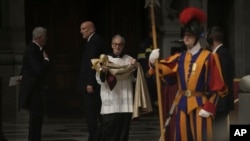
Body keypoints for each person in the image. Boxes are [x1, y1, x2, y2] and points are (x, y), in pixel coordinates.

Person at [149, 7, 227, 141]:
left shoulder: (209, 57)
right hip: (182, 104)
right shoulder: (179, 58)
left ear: (197, 36)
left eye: (190, 34)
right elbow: (165, 71)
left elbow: (217, 87)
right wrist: (152, 63)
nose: (186, 37)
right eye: (184, 34)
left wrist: (209, 107)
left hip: (201, 106)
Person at [93, 34, 139, 141]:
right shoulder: (105, 59)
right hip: (111, 104)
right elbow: (99, 80)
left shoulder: (129, 59)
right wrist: (103, 72)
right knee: (108, 134)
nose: (117, 47)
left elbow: (136, 79)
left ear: (123, 46)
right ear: (112, 45)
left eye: (120, 44)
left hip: (125, 105)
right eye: (115, 44)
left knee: (123, 134)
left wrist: (137, 66)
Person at [18, 26, 50, 141]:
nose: (47, 39)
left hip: (36, 89)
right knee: (35, 119)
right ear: (40, 37)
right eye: (45, 37)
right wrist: (46, 61)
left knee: (38, 118)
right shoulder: (32, 49)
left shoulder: (35, 49)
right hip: (33, 91)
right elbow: (38, 70)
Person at [79, 21, 107, 141]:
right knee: (93, 113)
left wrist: (90, 83)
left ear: (91, 29)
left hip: (92, 85)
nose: (81, 31)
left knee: (92, 114)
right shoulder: (92, 40)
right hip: (92, 84)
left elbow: (94, 63)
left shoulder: (94, 41)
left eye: (84, 28)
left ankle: (95, 138)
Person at [206, 26, 235, 141]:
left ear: (210, 39)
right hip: (223, 101)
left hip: (220, 101)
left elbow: (218, 79)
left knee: (218, 133)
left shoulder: (219, 55)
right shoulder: (225, 52)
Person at [137, 29, 159, 108]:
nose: (157, 36)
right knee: (150, 88)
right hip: (146, 69)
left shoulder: (147, 42)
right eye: (156, 34)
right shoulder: (148, 44)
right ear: (151, 33)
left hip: (144, 68)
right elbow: (148, 59)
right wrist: (149, 70)